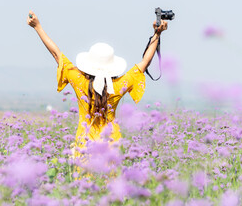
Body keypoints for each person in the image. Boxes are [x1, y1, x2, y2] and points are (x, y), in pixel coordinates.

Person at [27, 10, 168, 158]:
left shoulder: (79, 80)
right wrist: (157, 34)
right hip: (112, 145)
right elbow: (145, 62)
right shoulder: (118, 85)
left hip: (84, 145)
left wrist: (37, 27)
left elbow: (57, 54)